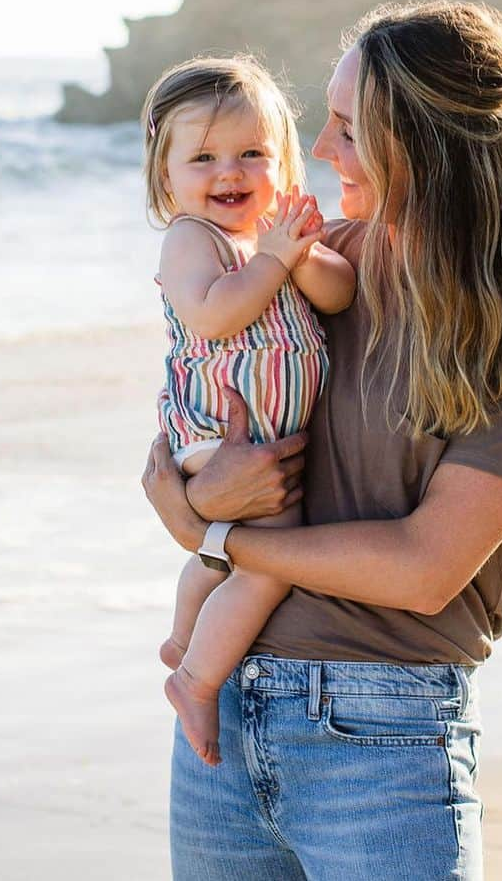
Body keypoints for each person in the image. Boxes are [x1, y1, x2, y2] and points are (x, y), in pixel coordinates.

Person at [143, 0, 502, 881]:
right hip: (222, 720)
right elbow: (180, 440)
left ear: (428, 143)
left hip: (381, 735)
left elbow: (423, 567)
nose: (322, 152)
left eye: (348, 129)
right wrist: (196, 498)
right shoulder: (308, 260)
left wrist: (216, 535)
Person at [142, 56, 356, 768]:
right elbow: (210, 316)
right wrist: (270, 263)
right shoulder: (191, 241)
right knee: (266, 562)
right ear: (165, 176)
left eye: (251, 154)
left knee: (236, 549)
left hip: (264, 435)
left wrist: (302, 256)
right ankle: (196, 678)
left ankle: (186, 638)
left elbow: (339, 296)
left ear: (283, 163)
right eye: (202, 158)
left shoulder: (273, 238)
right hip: (213, 430)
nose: (228, 172)